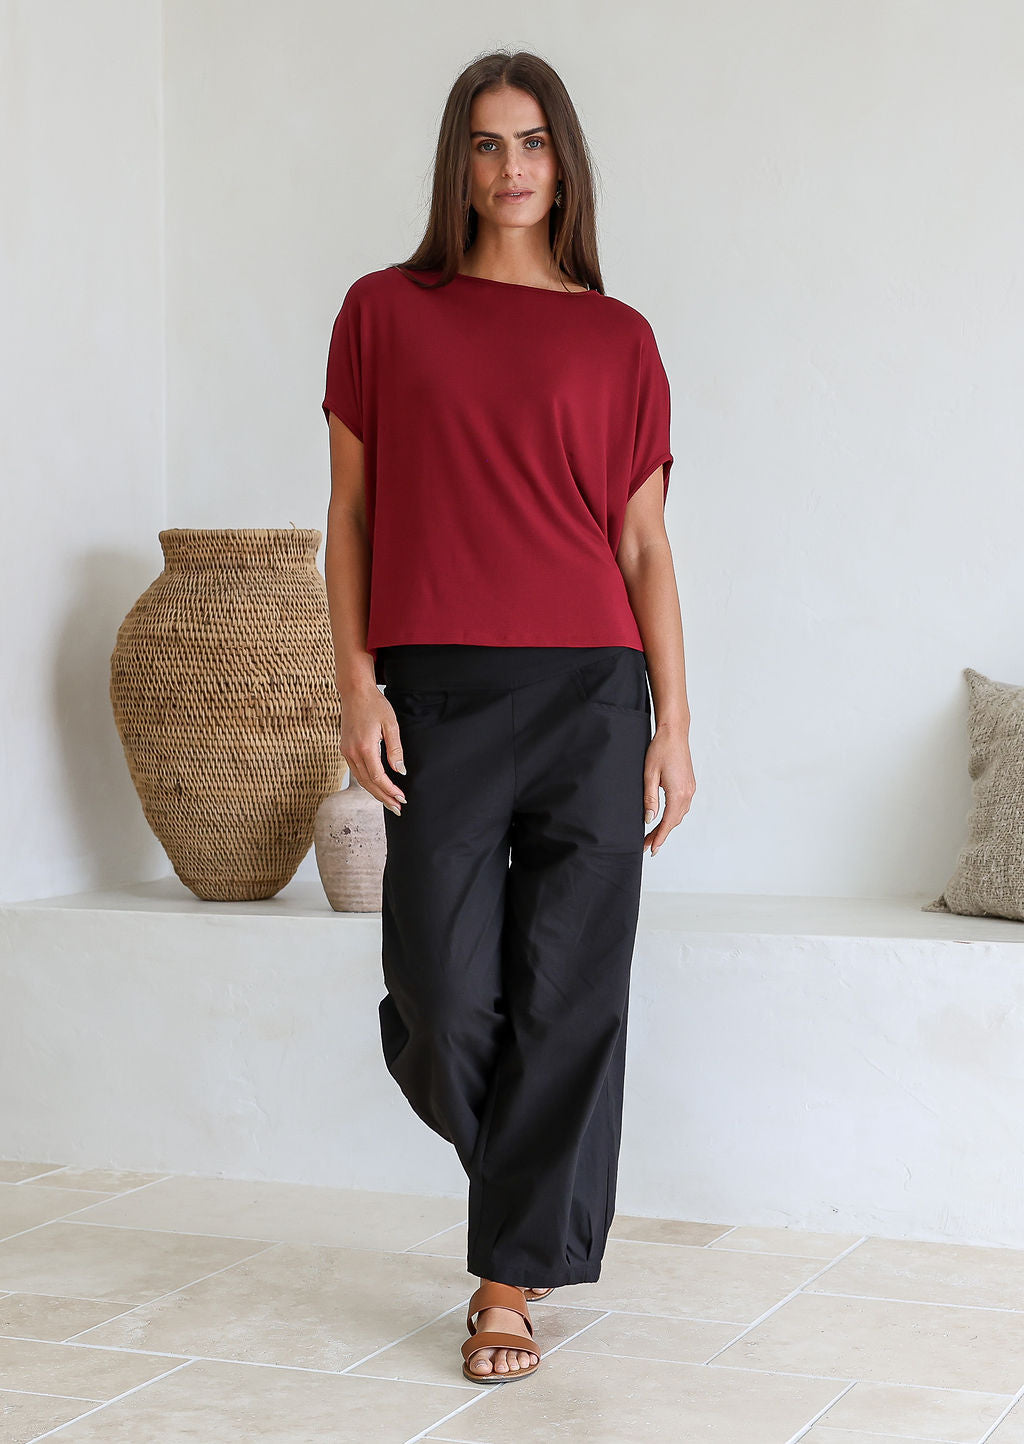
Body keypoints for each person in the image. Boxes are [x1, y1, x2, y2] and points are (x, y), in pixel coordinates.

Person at [321, 49, 695, 1384]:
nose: (511, 167)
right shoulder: (383, 313)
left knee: (574, 992)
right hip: (440, 690)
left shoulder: (619, 337)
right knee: (441, 992)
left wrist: (677, 723)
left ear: (564, 160)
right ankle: (535, 1185)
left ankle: (505, 1282)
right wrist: (354, 684)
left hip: (597, 691)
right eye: (485, 144)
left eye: (532, 141)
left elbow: (645, 547)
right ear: (456, 165)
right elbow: (353, 515)